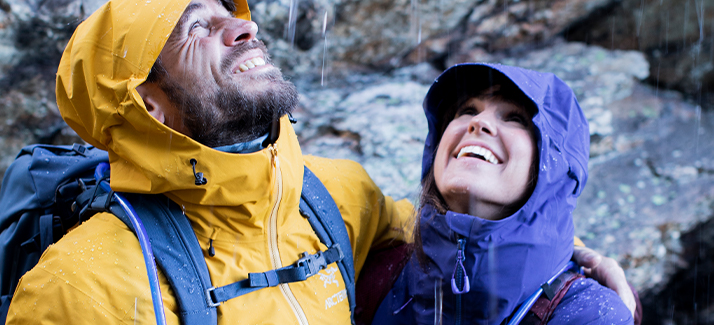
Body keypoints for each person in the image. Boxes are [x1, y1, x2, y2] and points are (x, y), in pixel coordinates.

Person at [5, 0, 634, 323]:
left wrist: (576, 262)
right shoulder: (82, 288)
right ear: (148, 104)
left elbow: (460, 235)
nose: (243, 28)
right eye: (196, 26)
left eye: (234, 13)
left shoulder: (337, 195)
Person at [372, 63, 638, 324]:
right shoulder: (378, 273)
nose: (478, 122)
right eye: (466, 110)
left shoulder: (591, 315)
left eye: (515, 118)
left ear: (554, 171)